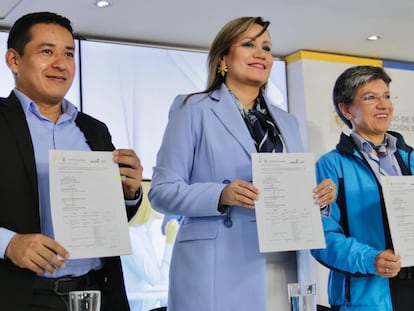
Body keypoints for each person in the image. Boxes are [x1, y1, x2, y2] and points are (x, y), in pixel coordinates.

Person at [148, 16, 336, 310]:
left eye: (266, 47)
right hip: (218, 264)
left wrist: (319, 200)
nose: (261, 54)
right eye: (248, 44)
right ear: (223, 57)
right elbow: (161, 191)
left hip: (286, 264)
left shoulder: (288, 122)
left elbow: (295, 194)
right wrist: (220, 195)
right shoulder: (192, 109)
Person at [0, 12, 143, 311]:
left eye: (68, 53)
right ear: (14, 60)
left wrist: (129, 195)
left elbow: (107, 219)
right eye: (47, 51)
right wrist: (8, 243)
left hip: (96, 293)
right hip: (19, 296)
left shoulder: (95, 130)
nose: (61, 64)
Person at [311, 65, 414, 310]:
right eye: (370, 98)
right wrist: (371, 259)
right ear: (346, 110)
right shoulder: (331, 165)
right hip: (367, 296)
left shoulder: (410, 159)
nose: (383, 105)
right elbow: (322, 237)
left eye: (386, 96)